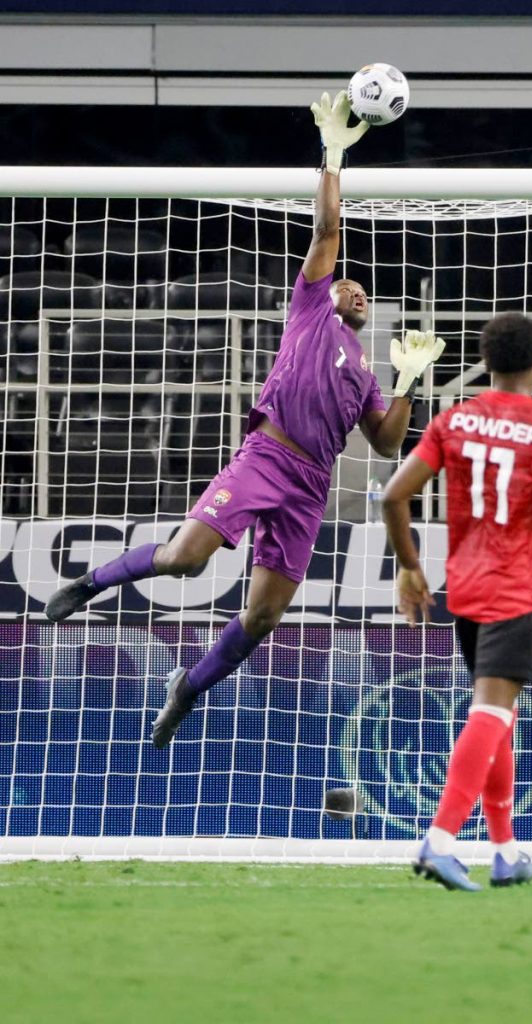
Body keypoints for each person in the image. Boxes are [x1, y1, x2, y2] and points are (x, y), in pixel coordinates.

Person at [45, 91, 445, 749]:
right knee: (184, 560)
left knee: (262, 617)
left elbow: (386, 444)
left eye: (365, 294)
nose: (358, 292)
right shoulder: (311, 309)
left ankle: (187, 689)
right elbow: (326, 232)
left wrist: (404, 383)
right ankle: (90, 582)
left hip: (309, 486)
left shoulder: (367, 374)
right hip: (265, 456)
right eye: (351, 285)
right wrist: (334, 158)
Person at [382, 312, 532, 892]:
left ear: (486, 360)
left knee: (501, 716)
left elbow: (395, 496)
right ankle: (439, 842)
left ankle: (504, 849)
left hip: (464, 588)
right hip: (516, 589)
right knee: (491, 712)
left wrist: (409, 566)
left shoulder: (455, 420)